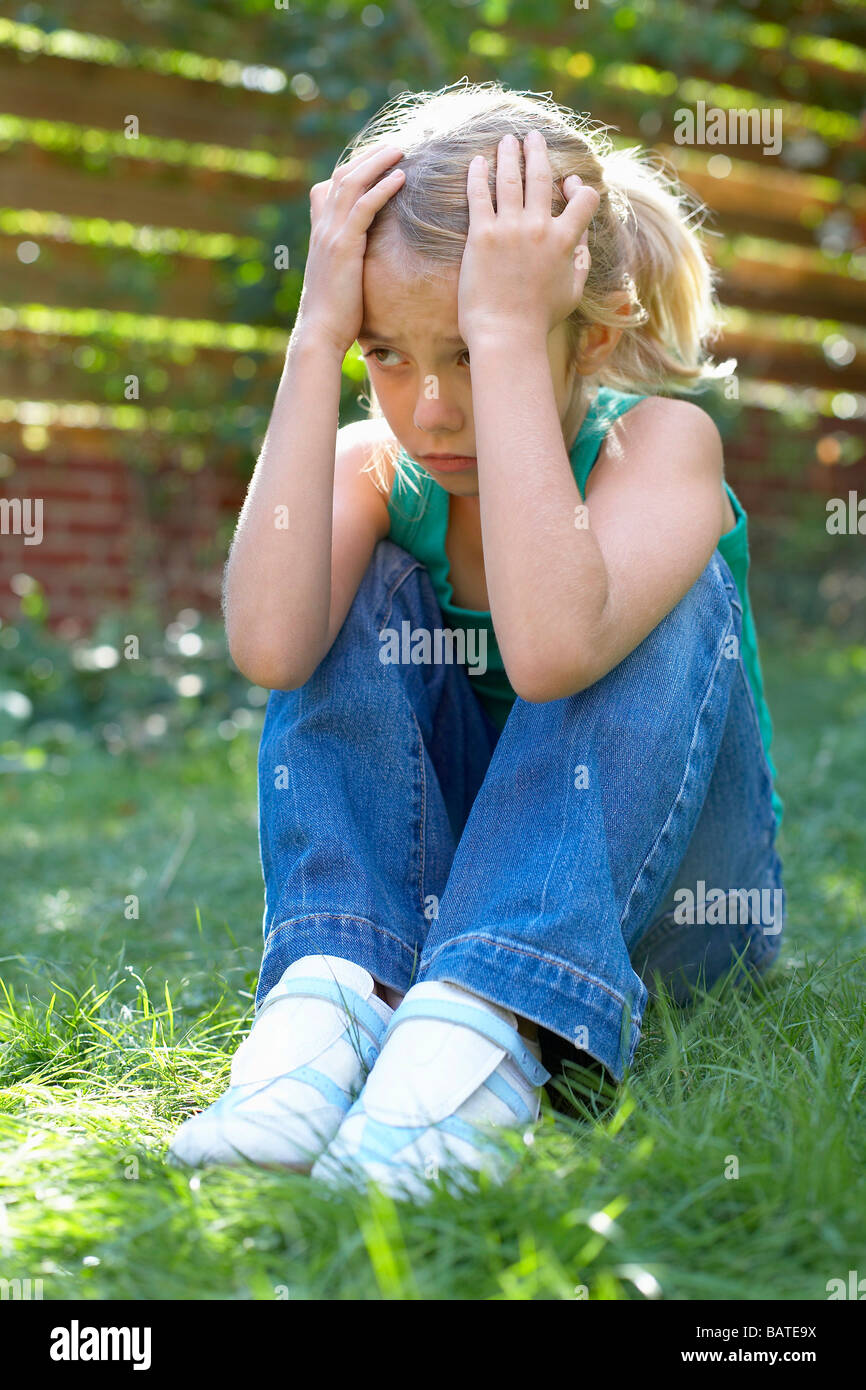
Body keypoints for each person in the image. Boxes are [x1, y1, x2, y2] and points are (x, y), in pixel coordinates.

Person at [168, 81, 785, 1200]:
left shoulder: (660, 447)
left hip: (673, 924)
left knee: (644, 587)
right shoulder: (377, 470)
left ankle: (488, 1025)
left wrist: (506, 331)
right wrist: (313, 335)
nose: (430, 411)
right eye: (386, 355)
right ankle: (338, 993)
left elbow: (552, 651)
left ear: (589, 332)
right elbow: (268, 645)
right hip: (427, 917)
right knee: (339, 576)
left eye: (468, 350)